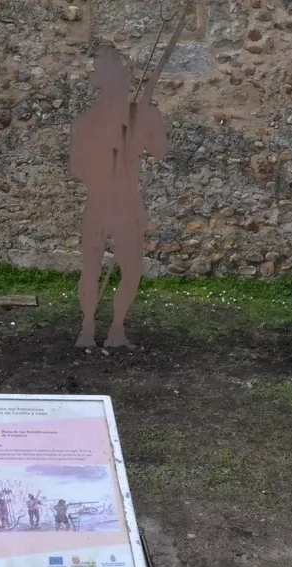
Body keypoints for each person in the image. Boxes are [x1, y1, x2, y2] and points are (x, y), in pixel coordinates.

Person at [69, 45, 169, 348]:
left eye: (96, 69)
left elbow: (159, 151)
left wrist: (141, 130)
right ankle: (88, 327)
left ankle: (115, 329)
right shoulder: (85, 122)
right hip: (103, 203)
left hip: (124, 204)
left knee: (130, 268)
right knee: (92, 268)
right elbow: (77, 168)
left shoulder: (142, 115)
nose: (90, 74)